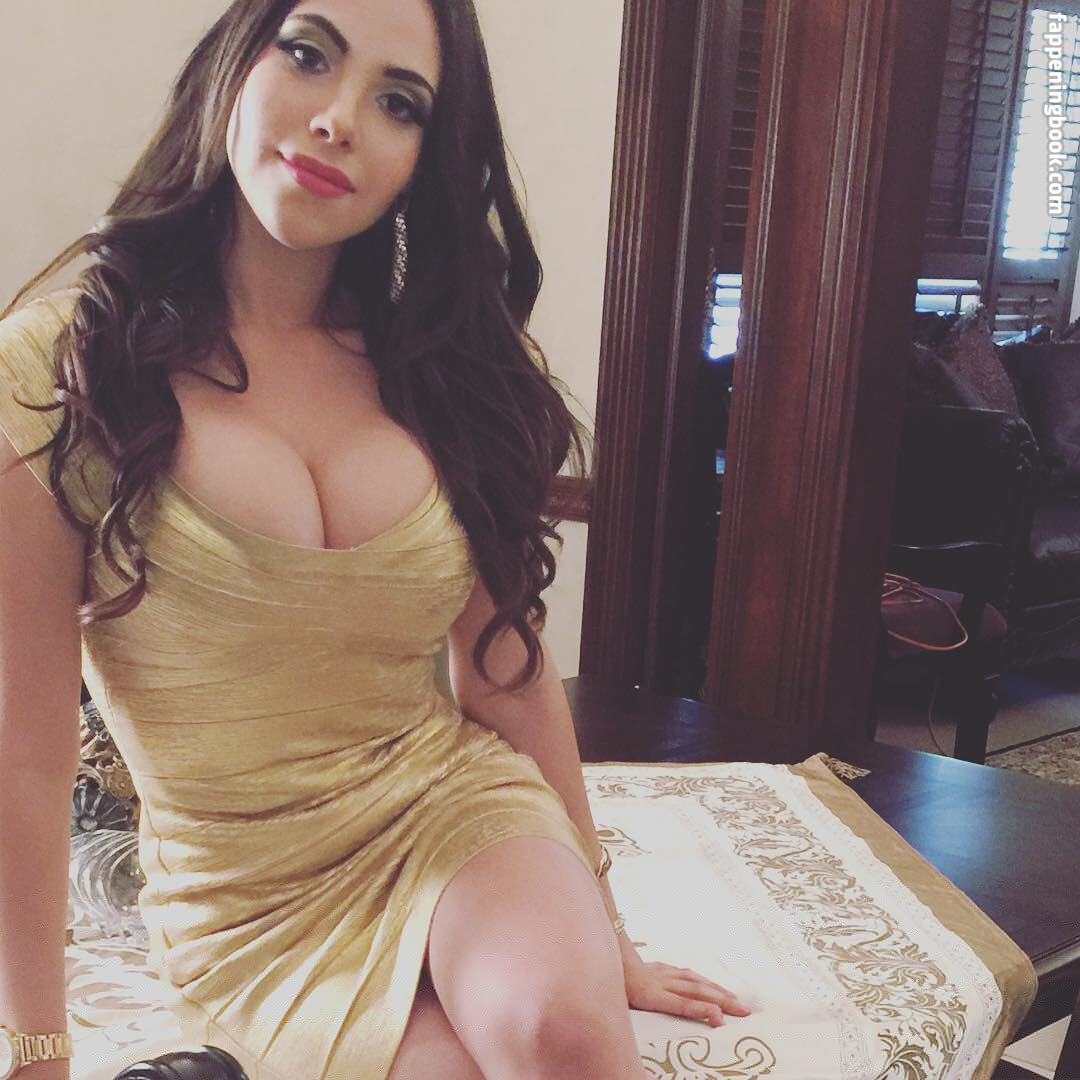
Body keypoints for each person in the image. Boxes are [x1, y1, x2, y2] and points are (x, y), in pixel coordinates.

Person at [0, 1, 751, 1077]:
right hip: (247, 900)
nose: (340, 119)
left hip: (450, 809)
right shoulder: (58, 370)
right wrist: (34, 1048)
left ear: (422, 160)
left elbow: (505, 670)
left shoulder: (437, 367)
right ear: (234, 63)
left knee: (565, 1034)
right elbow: (22, 754)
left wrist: (607, 931)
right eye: (308, 54)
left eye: (399, 103)